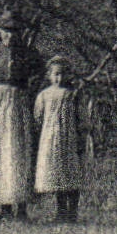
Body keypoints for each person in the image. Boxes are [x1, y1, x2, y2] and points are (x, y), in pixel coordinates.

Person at [0, 11, 39, 220]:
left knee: (17, 151)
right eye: (5, 31)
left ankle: (21, 206)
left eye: (14, 31)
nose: (9, 35)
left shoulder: (28, 55)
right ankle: (3, 206)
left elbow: (38, 77)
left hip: (18, 104)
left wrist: (31, 99)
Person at [33, 56, 85, 222]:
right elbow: (38, 117)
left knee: (70, 172)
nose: (59, 78)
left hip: (69, 138)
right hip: (50, 138)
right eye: (56, 74)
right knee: (57, 173)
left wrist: (81, 134)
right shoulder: (44, 95)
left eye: (63, 74)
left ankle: (72, 212)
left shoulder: (72, 94)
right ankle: (61, 211)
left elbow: (80, 116)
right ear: (49, 75)